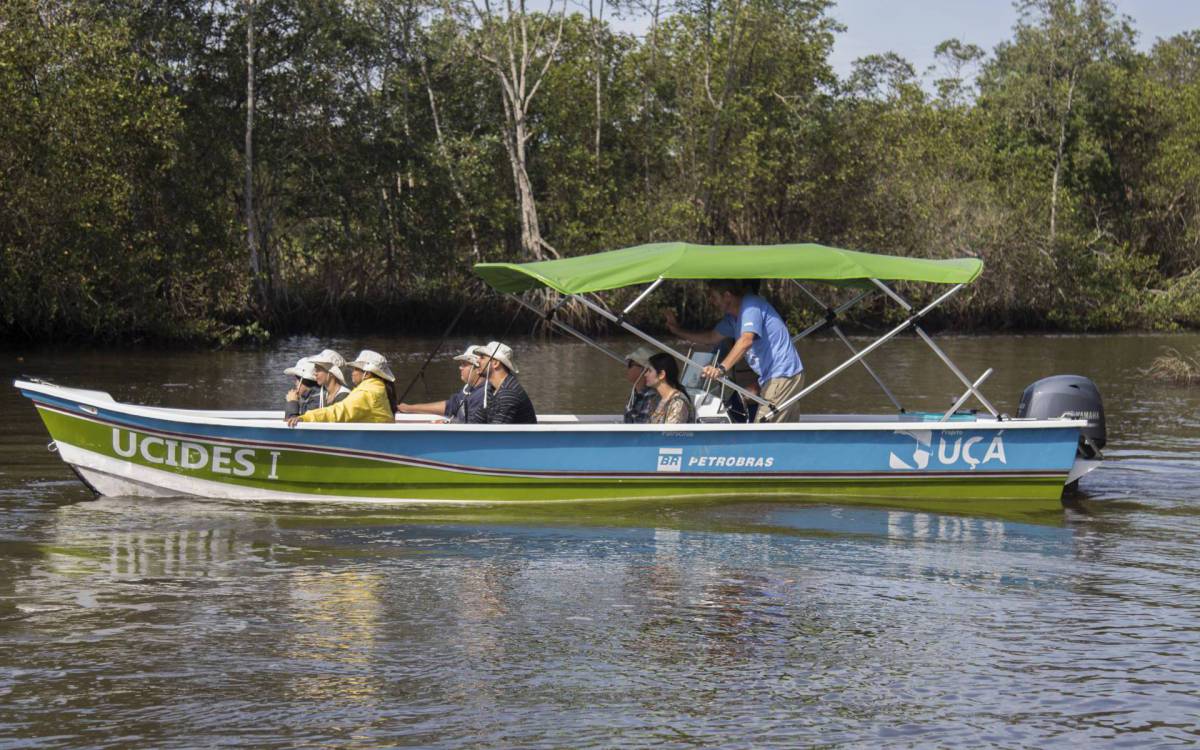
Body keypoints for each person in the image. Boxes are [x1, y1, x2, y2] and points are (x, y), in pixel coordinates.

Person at [665, 279, 804, 422]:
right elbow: (710, 337)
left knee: (763, 430)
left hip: (783, 374)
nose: (711, 301)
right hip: (774, 377)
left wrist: (720, 369)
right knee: (785, 431)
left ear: (727, 296)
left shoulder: (750, 305)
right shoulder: (732, 318)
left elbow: (746, 340)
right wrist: (677, 331)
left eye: (713, 297)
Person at [287, 350, 396, 425]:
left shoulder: (368, 393)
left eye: (355, 369)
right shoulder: (373, 389)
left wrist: (306, 418)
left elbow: (340, 411)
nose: (352, 373)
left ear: (367, 374)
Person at [398, 345, 487, 423]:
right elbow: (449, 406)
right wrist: (409, 408)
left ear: (478, 368)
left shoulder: (483, 394)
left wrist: (449, 424)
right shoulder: (468, 389)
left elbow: (473, 425)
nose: (460, 368)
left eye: (464, 364)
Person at [469, 341, 537, 424]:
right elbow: (476, 422)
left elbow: (497, 433)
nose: (477, 361)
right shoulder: (492, 390)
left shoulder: (508, 393)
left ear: (495, 363)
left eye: (482, 357)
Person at [646, 352, 695, 424]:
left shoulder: (678, 402)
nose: (645, 374)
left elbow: (670, 434)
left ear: (661, 375)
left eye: (649, 371)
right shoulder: (655, 399)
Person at [623, 345, 660, 423]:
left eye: (630, 364)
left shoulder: (652, 398)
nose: (627, 368)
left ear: (644, 369)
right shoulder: (634, 394)